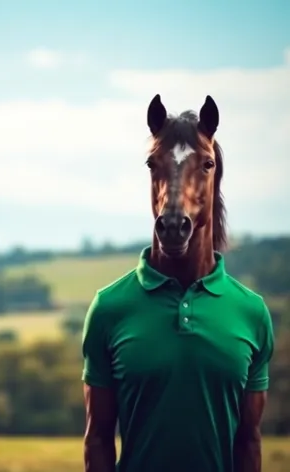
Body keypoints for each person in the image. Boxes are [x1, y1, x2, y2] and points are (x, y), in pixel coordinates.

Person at [81, 95, 274, 472]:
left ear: (214, 175)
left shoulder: (251, 313)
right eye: (158, 168)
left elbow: (248, 441)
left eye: (203, 167)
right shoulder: (109, 309)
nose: (175, 196)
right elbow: (98, 439)